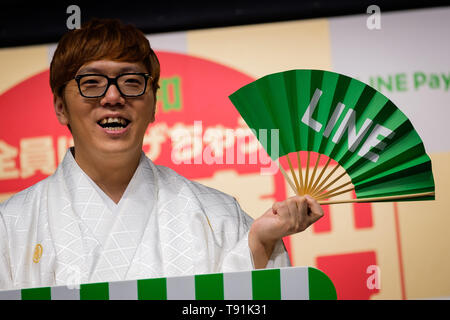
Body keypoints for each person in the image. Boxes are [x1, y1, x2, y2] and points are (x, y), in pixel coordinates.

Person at [0, 18, 324, 290]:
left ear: (154, 103)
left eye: (131, 81)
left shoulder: (219, 215)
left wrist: (259, 248)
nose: (113, 96)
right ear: (60, 107)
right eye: (92, 82)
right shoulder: (11, 225)